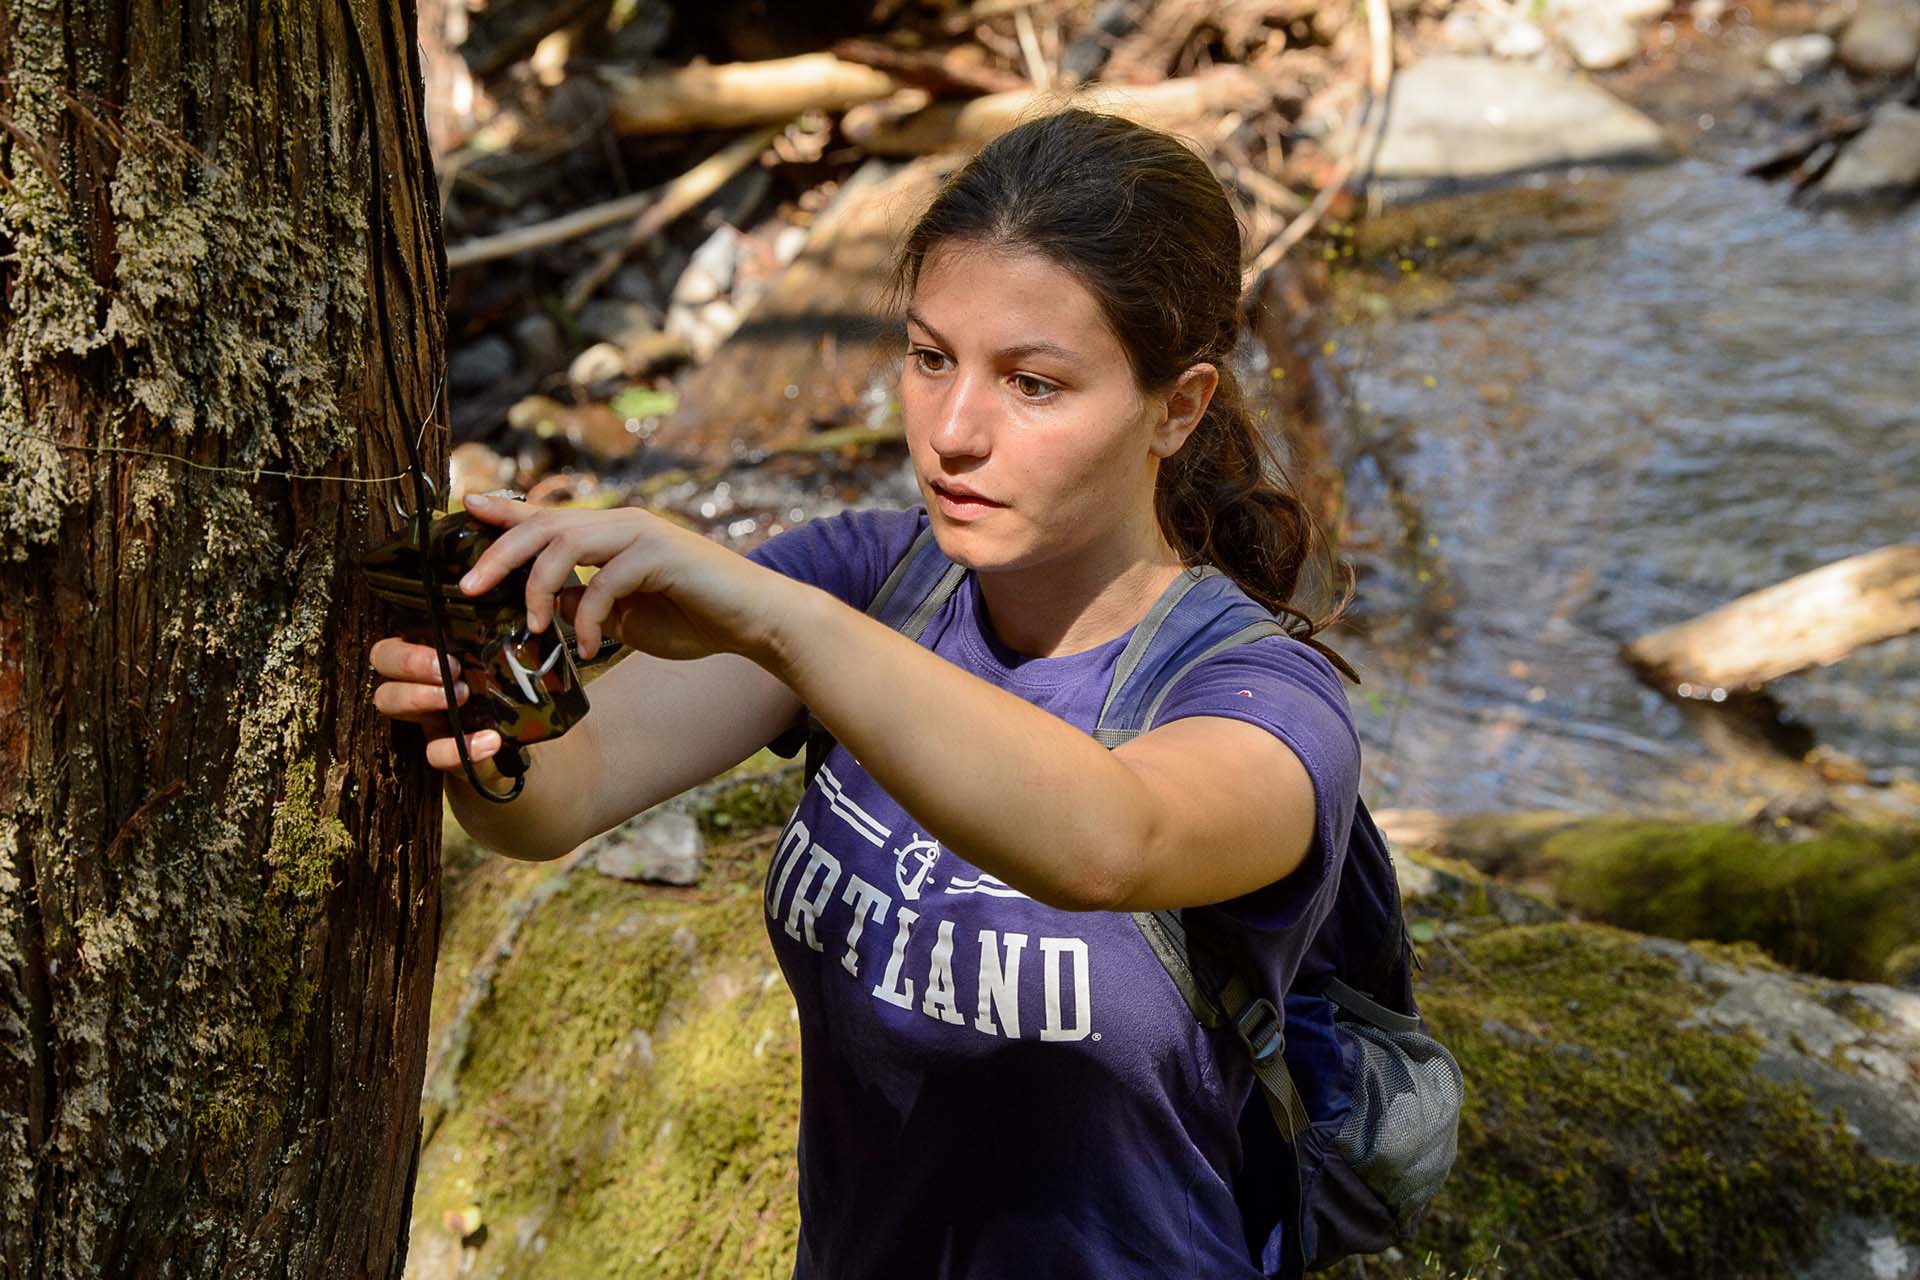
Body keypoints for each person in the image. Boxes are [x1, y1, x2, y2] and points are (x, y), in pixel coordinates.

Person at [371, 108, 1363, 1278]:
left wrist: (770, 612)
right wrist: (489, 697)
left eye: (1033, 385)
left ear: (1178, 405)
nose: (951, 432)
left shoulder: (1265, 699)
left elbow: (1110, 842)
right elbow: (558, 798)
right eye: (930, 356)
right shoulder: (874, 578)